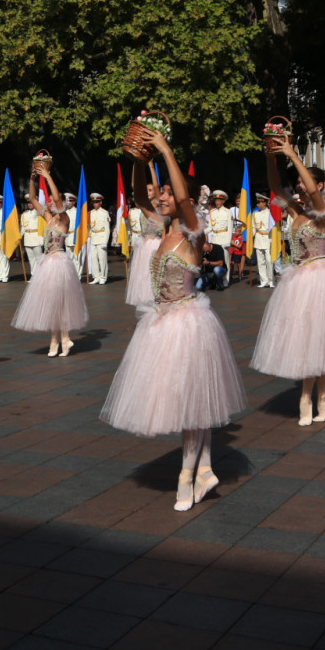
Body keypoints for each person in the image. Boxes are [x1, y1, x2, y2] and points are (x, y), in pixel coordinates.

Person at [101, 128, 245, 512]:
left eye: (166, 192)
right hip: (160, 322)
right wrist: (139, 161)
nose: (161, 197)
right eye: (161, 193)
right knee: (188, 403)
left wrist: (165, 149)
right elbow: (138, 197)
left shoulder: (192, 232)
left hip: (188, 323)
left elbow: (182, 197)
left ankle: (187, 477)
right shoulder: (163, 227)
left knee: (192, 406)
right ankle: (204, 470)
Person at [252, 128, 325, 424]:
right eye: (297, 182)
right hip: (298, 279)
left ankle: (307, 397)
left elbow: (313, 192)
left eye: (302, 181)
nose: (299, 185)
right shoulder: (296, 211)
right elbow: (275, 187)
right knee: (308, 339)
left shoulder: (323, 210)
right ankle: (322, 395)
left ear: (320, 184)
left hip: (320, 280)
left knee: (317, 336)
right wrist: (271, 156)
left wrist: (292, 153)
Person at [12, 158, 89, 357]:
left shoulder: (64, 218)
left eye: (55, 201)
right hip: (47, 262)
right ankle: (56, 341)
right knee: (52, 304)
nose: (51, 202)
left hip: (59, 262)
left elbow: (56, 197)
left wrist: (47, 176)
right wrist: (32, 178)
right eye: (51, 201)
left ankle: (64, 338)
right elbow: (32, 198)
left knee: (59, 303)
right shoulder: (49, 218)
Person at [126, 161, 166, 307]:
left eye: (150, 190)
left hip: (156, 243)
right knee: (143, 274)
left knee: (154, 273)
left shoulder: (158, 206)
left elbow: (156, 186)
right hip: (144, 243)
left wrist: (150, 165)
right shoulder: (143, 206)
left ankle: (157, 297)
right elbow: (134, 185)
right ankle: (146, 300)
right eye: (146, 190)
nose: (148, 192)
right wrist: (136, 162)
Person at [250, 191, 275, 287]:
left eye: (260, 202)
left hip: (268, 238)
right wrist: (250, 237)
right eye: (257, 202)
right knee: (260, 262)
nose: (258, 204)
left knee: (269, 261)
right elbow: (253, 227)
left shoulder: (270, 213)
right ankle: (263, 281)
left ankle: (271, 280)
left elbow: (273, 227)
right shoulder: (255, 213)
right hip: (258, 238)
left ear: (265, 203)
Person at [206, 192, 232, 286]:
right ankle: (217, 281)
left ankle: (226, 280)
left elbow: (230, 228)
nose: (217, 202)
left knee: (225, 261)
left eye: (219, 200)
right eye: (216, 200)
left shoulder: (227, 212)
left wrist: (228, 241)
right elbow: (210, 227)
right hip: (215, 239)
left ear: (223, 201)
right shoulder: (212, 212)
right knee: (215, 260)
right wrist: (201, 232)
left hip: (224, 238)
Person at [87, 193, 111, 284]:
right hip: (93, 237)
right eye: (94, 202)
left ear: (100, 202)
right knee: (93, 259)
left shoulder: (104, 213)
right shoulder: (91, 213)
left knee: (102, 259)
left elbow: (107, 229)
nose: (95, 204)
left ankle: (103, 277)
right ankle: (96, 276)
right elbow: (89, 226)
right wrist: (88, 235)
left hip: (101, 237)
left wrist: (105, 241)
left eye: (97, 202)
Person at [20, 196, 44, 265]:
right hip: (27, 239)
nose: (29, 204)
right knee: (31, 260)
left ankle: (39, 272)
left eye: (31, 203)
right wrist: (19, 236)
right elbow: (23, 227)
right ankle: (33, 272)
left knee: (39, 260)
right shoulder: (24, 214)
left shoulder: (39, 213)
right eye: (28, 203)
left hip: (37, 238)